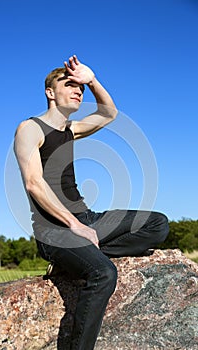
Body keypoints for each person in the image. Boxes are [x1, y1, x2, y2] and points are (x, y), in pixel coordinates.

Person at [14, 55, 169, 350]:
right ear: (50, 92)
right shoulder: (29, 128)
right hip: (54, 231)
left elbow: (109, 113)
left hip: (87, 219)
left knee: (157, 224)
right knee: (103, 273)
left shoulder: (71, 129)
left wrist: (93, 80)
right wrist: (73, 225)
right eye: (70, 84)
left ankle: (78, 260)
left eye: (81, 88)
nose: (78, 91)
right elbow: (34, 183)